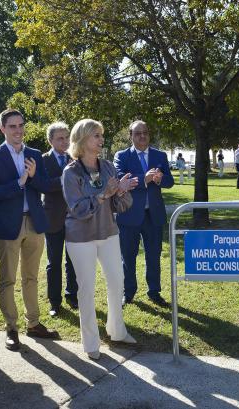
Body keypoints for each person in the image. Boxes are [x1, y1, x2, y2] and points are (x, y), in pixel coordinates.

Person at [0, 108, 59, 352]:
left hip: (34, 222)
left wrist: (34, 177)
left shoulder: (35, 153)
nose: (19, 130)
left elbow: (46, 185)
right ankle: (11, 328)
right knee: (8, 279)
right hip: (8, 225)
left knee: (32, 277)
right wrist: (19, 183)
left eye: (21, 125)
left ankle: (33, 323)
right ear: (2, 128)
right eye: (13, 126)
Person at [62, 119, 138, 360]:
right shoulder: (70, 172)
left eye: (101, 135)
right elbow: (78, 209)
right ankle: (91, 343)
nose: (101, 139)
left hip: (108, 233)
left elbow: (120, 205)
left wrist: (122, 191)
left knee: (117, 281)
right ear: (83, 139)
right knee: (87, 289)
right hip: (80, 237)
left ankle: (117, 331)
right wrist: (105, 193)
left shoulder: (107, 166)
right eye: (96, 135)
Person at [114, 120, 175, 307]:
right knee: (128, 256)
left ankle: (154, 292)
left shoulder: (160, 155)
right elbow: (119, 179)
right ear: (130, 135)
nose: (142, 136)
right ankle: (129, 292)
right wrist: (144, 179)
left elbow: (170, 182)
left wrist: (160, 179)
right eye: (138, 133)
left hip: (153, 215)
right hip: (129, 215)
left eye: (145, 133)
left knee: (153, 256)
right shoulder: (122, 156)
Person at [42, 122, 78, 317]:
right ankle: (55, 302)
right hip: (53, 218)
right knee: (53, 262)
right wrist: (66, 178)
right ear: (50, 140)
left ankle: (72, 295)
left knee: (73, 260)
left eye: (67, 137)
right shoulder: (43, 160)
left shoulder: (75, 159)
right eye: (60, 138)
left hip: (75, 218)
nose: (65, 141)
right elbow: (44, 185)